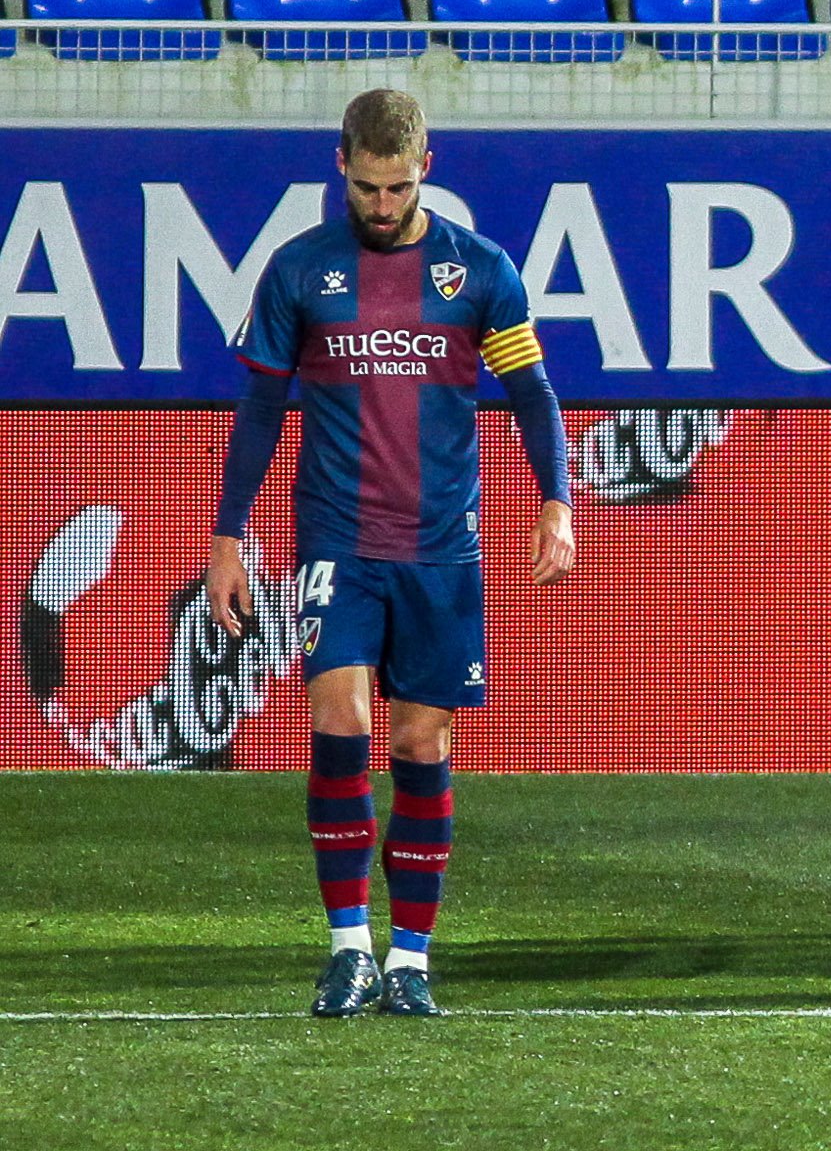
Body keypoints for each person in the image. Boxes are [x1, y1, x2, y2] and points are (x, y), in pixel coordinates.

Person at [200, 89, 575, 1020]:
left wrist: (556, 505)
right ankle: (349, 949)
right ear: (340, 167)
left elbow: (532, 393)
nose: (379, 204)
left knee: (420, 739)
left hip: (442, 546)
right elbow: (260, 411)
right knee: (340, 723)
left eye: (396, 187)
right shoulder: (298, 270)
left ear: (426, 170)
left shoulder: (480, 270)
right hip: (336, 536)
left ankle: (410, 958)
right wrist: (228, 534)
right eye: (366, 186)